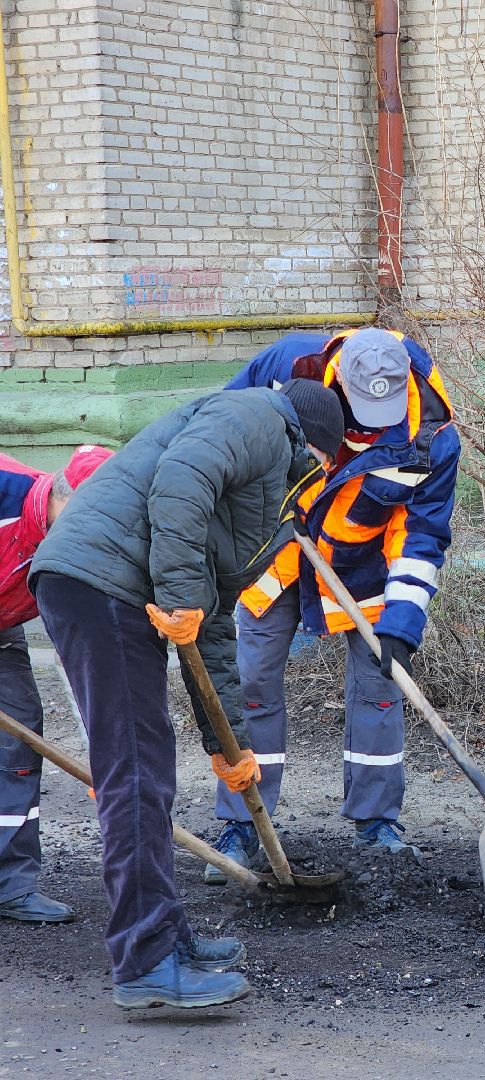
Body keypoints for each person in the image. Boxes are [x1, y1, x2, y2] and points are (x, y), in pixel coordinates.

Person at [29, 379, 343, 1009]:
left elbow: (215, 620)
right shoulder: (255, 417)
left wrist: (229, 742)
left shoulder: (257, 490)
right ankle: (146, 961)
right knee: (138, 774)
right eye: (325, 464)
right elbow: (179, 481)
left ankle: (168, 935)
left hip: (109, 586)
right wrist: (177, 596)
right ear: (316, 446)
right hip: (101, 583)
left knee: (152, 766)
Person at [206, 327, 458, 876]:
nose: (370, 426)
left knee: (380, 685)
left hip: (359, 566)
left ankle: (376, 822)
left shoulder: (431, 436)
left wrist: (403, 622)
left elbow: (422, 535)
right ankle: (243, 823)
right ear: (339, 380)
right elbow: (216, 438)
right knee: (250, 683)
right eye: (361, 411)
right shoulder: (286, 367)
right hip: (273, 554)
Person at [0, 444, 113, 923]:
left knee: (20, 737)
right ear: (70, 500)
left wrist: (105, 764)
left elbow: (76, 653)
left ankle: (11, 884)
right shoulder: (7, 494)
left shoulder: (71, 550)